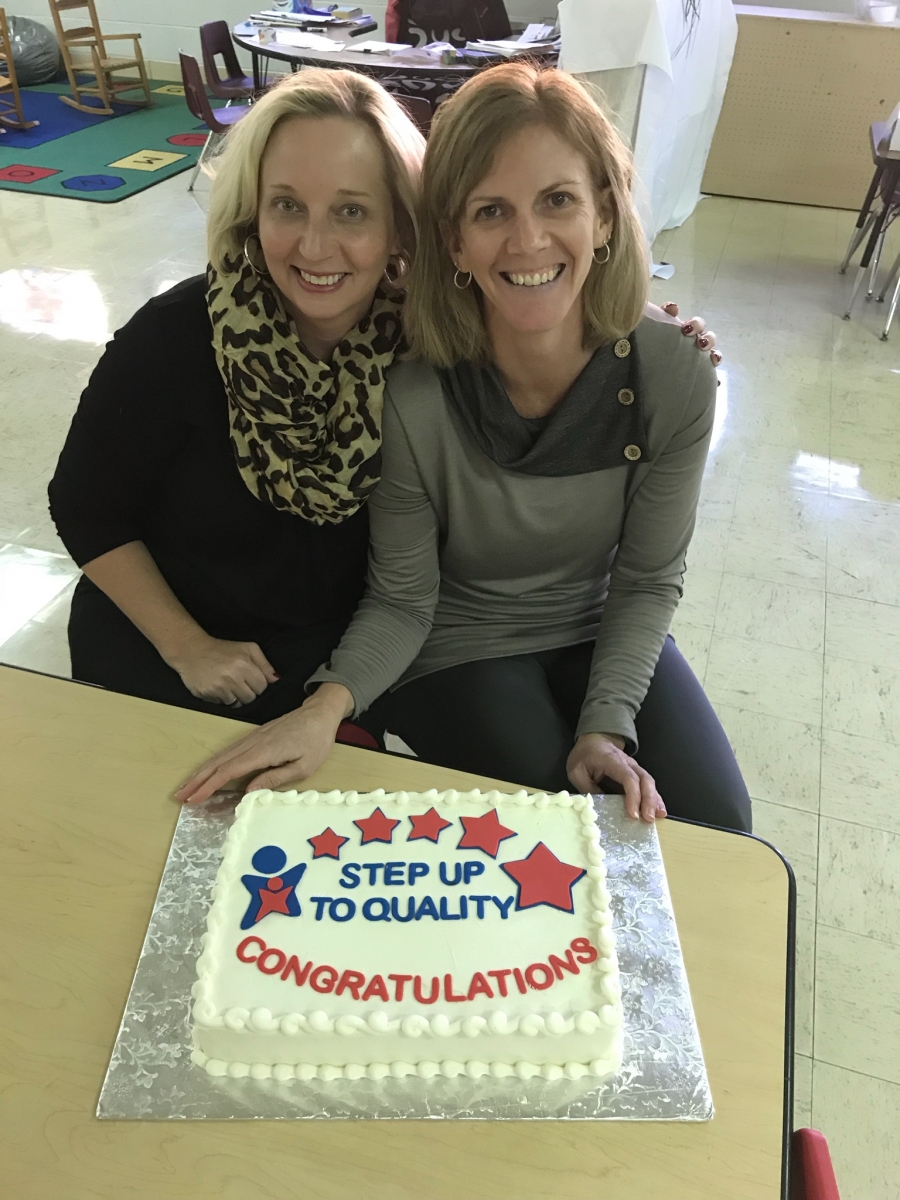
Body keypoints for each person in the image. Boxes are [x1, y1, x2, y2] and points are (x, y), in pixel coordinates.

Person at [177, 65, 751, 834]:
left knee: (717, 822)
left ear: (605, 216)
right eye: (491, 211)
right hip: (458, 640)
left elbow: (647, 579)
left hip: (599, 620)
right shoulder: (413, 390)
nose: (528, 240)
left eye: (558, 201)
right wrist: (323, 710)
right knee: (550, 816)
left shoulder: (676, 375)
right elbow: (405, 598)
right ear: (452, 240)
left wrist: (606, 723)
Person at [48, 69, 424, 723]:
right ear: (253, 209)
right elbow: (84, 509)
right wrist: (188, 646)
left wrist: (629, 316)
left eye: (352, 210)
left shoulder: (425, 349)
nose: (313, 245)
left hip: (329, 668)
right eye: (287, 205)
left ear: (399, 225)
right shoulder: (174, 338)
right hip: (165, 647)